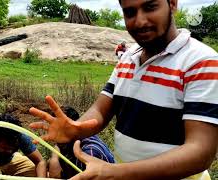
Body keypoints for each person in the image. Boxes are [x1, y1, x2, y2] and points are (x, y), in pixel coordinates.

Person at [29, 0, 218, 179]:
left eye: (150, 7)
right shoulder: (128, 58)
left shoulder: (201, 61)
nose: (140, 21)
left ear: (173, 4)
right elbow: (101, 111)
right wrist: (75, 127)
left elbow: (200, 151)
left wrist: (116, 173)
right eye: (130, 12)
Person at [47, 106, 115, 179]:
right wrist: (55, 157)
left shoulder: (90, 152)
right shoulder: (75, 139)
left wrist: (54, 160)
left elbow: (55, 175)